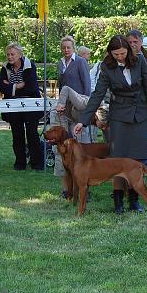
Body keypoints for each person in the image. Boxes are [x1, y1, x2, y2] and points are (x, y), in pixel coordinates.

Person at [74, 34, 147, 214]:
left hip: (140, 115)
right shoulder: (106, 67)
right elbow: (98, 94)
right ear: (110, 53)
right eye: (116, 54)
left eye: (122, 53)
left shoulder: (140, 61)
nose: (119, 57)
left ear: (128, 50)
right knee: (117, 160)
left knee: (138, 159)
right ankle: (118, 202)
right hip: (119, 117)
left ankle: (135, 201)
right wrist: (83, 120)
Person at [0, 42, 44, 171]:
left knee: (32, 133)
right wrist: (17, 86)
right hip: (13, 106)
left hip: (30, 106)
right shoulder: (5, 67)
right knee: (17, 134)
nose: (10, 57)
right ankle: (20, 163)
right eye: (8, 54)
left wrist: (10, 86)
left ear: (20, 55)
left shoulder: (29, 66)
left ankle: (37, 163)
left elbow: (31, 87)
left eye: (12, 54)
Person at [52, 36, 92, 188]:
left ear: (73, 48)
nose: (66, 50)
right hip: (66, 108)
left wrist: (87, 107)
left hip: (80, 105)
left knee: (80, 147)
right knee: (65, 147)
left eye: (69, 47)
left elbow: (87, 85)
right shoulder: (60, 63)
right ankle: (67, 188)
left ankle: (84, 187)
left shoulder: (81, 62)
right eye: (64, 48)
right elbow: (61, 85)